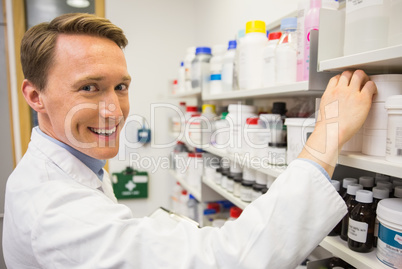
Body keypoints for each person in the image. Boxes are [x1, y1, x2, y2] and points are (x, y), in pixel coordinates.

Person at [2, 13, 377, 269]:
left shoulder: (71, 167)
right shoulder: (55, 208)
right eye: (89, 88)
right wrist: (328, 133)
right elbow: (223, 261)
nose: (114, 111)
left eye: (120, 87)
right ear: (35, 96)